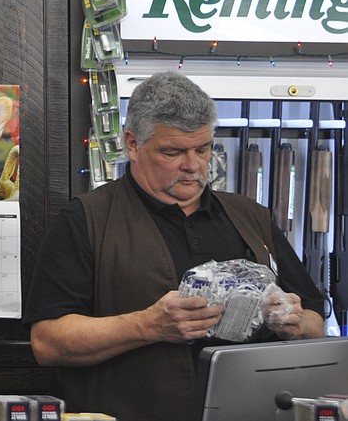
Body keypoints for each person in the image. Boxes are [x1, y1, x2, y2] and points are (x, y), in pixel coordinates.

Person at [25, 70, 326, 421]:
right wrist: (147, 325)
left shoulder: (250, 216)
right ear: (133, 144)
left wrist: (292, 321)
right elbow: (47, 342)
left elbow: (315, 322)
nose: (193, 165)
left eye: (203, 148)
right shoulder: (87, 220)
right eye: (173, 152)